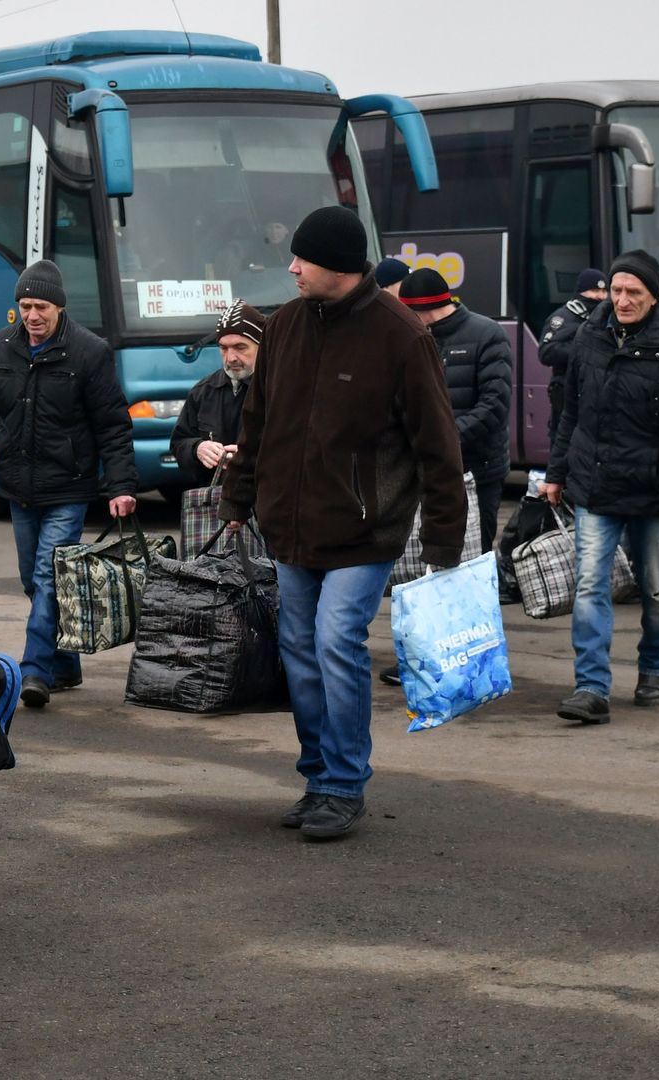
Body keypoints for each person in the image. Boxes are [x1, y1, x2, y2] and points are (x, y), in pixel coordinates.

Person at [220, 206, 465, 841]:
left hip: (365, 530)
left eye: (304, 259)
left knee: (335, 642)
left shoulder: (402, 336)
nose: (292, 268)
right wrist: (238, 500)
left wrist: (444, 537)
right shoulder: (285, 327)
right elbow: (258, 424)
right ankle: (317, 774)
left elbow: (438, 445)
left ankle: (343, 784)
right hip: (292, 526)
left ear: (339, 266)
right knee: (297, 651)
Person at [0, 259, 138, 708]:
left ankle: (33, 671)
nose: (32, 316)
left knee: (49, 578)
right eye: (25, 306)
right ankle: (65, 663)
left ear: (59, 309)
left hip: (68, 488)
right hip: (18, 486)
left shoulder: (89, 353)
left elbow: (113, 425)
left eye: (42, 307)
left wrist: (121, 485)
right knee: (36, 583)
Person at [543, 250, 659, 725]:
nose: (622, 300)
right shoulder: (588, 337)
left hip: (654, 490)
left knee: (656, 591)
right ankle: (591, 687)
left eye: (633, 293)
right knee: (589, 586)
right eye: (616, 290)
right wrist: (556, 474)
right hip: (596, 486)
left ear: (655, 296)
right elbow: (571, 414)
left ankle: (654, 667)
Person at [399, 267, 512, 552]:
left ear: (420, 309)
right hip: (431, 469)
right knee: (434, 557)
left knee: (477, 558)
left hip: (479, 470)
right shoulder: (414, 339)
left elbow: (494, 407)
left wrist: (442, 440)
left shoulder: (487, 334)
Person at [169, 303, 264, 490]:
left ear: (263, 346)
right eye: (223, 348)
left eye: (240, 347)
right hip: (216, 503)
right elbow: (179, 443)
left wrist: (250, 457)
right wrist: (197, 449)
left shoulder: (281, 388)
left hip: (268, 504)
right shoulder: (204, 391)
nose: (230, 358)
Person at [538, 268, 608, 440]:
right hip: (567, 398)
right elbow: (546, 352)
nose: (600, 296)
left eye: (603, 291)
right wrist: (585, 349)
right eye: (594, 291)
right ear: (580, 292)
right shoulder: (564, 317)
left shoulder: (605, 318)